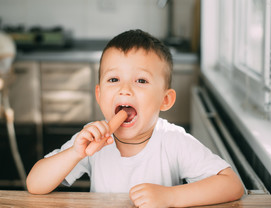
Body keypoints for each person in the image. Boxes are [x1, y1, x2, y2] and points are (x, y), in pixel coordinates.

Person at [26, 29, 244, 207]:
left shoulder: (173, 141)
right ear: (99, 95)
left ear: (165, 100)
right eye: (113, 79)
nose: (125, 90)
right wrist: (74, 153)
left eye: (140, 81)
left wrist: (170, 197)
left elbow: (232, 185)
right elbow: (35, 185)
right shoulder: (91, 140)